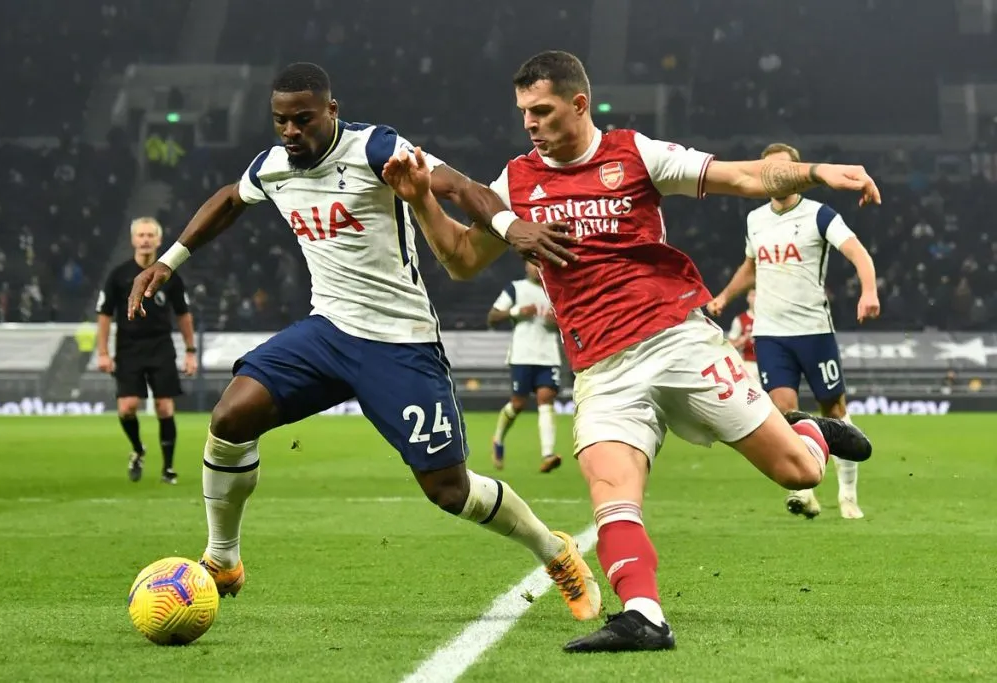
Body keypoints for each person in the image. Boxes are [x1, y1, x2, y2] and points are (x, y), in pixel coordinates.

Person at [379, 50, 875, 653]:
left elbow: (743, 177)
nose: (530, 123)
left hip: (678, 341)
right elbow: (460, 261)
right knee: (610, 492)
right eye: (523, 113)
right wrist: (422, 201)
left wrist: (819, 171)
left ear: (579, 103)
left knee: (799, 472)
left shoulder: (634, 153)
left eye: (542, 110)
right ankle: (644, 615)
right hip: (600, 369)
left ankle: (809, 433)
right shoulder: (516, 182)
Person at [126, 62, 600, 621]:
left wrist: (509, 227)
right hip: (326, 332)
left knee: (449, 490)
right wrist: (169, 260)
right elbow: (230, 199)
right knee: (231, 417)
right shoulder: (274, 167)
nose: (290, 132)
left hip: (400, 342)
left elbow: (461, 187)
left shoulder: (375, 147)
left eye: (302, 119)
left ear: (330, 110)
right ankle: (223, 558)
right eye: (280, 121)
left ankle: (555, 552)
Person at [708, 142, 881, 520]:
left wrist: (868, 290)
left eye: (784, 170)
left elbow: (858, 253)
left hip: (813, 330)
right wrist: (724, 296)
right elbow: (750, 266)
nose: (777, 177)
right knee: (782, 413)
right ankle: (805, 493)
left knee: (833, 412)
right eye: (770, 171)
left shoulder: (820, 215)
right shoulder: (756, 219)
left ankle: (848, 495)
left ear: (798, 173)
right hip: (770, 333)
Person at [96, 217, 196, 484]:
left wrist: (190, 350)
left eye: (150, 235)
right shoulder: (118, 276)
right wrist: (103, 352)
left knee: (164, 407)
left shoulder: (170, 275)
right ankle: (139, 450)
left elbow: (183, 314)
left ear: (159, 240)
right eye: (140, 235)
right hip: (128, 348)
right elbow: (104, 315)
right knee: (127, 408)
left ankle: (168, 468)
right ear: (133, 240)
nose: (145, 239)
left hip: (161, 346)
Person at [488, 262, 563, 473]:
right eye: (533, 263)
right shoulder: (516, 288)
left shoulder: (556, 289)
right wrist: (516, 311)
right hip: (522, 354)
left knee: (546, 398)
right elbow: (492, 317)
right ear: (525, 266)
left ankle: (548, 454)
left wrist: (557, 321)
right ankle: (499, 438)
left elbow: (571, 321)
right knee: (518, 404)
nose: (537, 268)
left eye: (540, 264)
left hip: (549, 355)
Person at [726, 288, 759, 381]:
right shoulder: (740, 319)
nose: (755, 298)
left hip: (766, 363)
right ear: (748, 298)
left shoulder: (767, 319)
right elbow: (730, 345)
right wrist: (744, 338)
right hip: (748, 364)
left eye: (758, 295)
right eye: (753, 295)